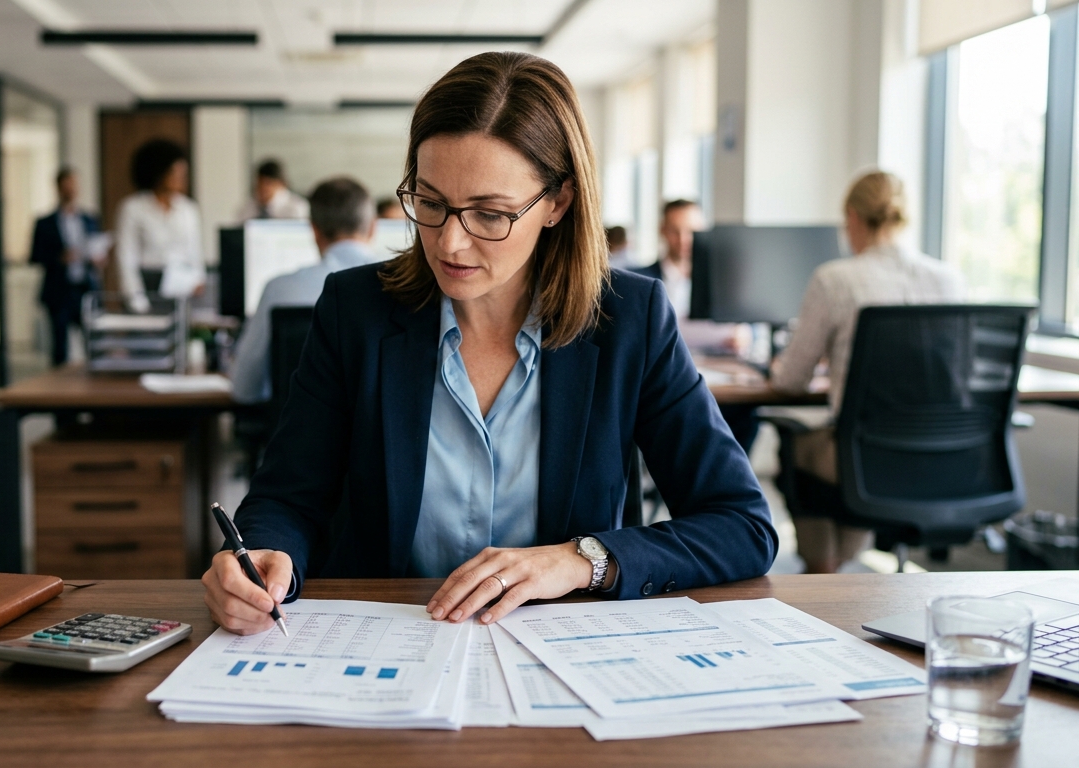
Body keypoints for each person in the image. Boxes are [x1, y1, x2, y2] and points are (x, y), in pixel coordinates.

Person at [202, 52, 776, 636]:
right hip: (388, 642)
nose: (450, 242)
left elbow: (741, 524)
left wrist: (580, 559)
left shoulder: (629, 319)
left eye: (489, 213)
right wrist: (266, 555)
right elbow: (287, 498)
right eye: (430, 203)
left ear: (558, 202)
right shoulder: (356, 311)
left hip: (565, 649)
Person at [770, 170, 966, 574]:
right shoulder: (949, 280)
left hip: (865, 456)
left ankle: (822, 573)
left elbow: (791, 380)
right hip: (945, 453)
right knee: (843, 449)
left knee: (797, 445)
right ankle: (847, 562)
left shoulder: (836, 280)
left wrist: (778, 365)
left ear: (853, 218)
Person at [230, 177, 385, 404]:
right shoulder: (404, 289)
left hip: (298, 437)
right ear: (373, 227)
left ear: (313, 230)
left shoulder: (279, 291)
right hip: (381, 439)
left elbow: (244, 389)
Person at [632, 200, 757, 452]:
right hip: (665, 380)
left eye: (691, 231)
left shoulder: (726, 282)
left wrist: (746, 334)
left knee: (745, 414)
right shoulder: (640, 281)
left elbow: (748, 326)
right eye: (675, 230)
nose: (683, 239)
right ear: (662, 231)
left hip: (722, 379)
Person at [115, 139, 204, 305]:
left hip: (181, 288)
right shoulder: (133, 208)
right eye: (175, 172)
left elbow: (195, 251)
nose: (181, 177)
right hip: (148, 287)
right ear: (160, 172)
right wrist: (136, 300)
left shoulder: (188, 209)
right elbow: (126, 259)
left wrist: (198, 280)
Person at [29, 168, 101, 366]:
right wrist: (59, 258)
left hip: (85, 288)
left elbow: (96, 248)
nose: (71, 189)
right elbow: (34, 256)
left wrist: (96, 260)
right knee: (59, 346)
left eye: (74, 184)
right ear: (58, 188)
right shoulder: (45, 223)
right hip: (59, 291)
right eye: (66, 185)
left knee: (92, 341)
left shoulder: (89, 219)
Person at [239, 159, 310, 220]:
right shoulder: (249, 205)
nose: (263, 188)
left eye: (268, 184)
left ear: (282, 184)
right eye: (260, 184)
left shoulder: (296, 207)